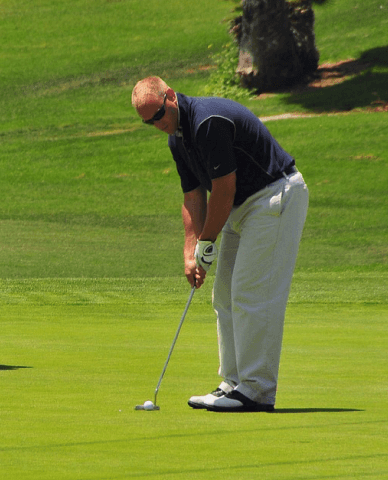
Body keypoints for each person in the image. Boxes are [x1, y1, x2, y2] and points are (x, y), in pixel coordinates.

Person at [131, 76, 309, 412]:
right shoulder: (177, 140)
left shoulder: (207, 121)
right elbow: (192, 195)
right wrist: (191, 251)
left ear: (169, 96)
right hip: (244, 207)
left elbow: (223, 188)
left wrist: (207, 242)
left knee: (250, 293)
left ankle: (256, 390)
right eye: (148, 122)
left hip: (275, 196)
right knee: (224, 295)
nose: (158, 124)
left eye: (158, 114)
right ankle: (232, 383)